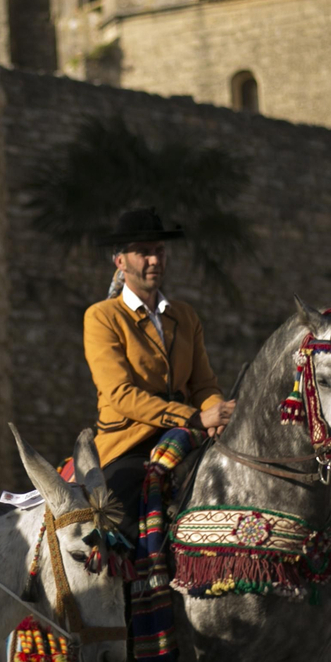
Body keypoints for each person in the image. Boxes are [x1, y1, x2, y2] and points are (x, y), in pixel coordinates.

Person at [84, 207, 233, 541]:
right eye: (143, 253)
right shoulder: (102, 317)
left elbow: (204, 385)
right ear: (120, 261)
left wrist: (219, 414)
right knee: (118, 529)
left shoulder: (185, 316)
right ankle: (114, 589)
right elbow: (120, 395)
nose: (154, 260)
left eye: (160, 251)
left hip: (190, 436)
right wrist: (195, 418)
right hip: (129, 444)